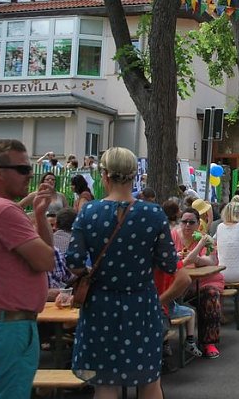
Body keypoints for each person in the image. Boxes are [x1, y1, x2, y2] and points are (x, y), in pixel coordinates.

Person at [67, 146, 177, 396]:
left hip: (100, 306)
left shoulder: (89, 211)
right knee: (149, 381)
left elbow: (73, 262)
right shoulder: (153, 213)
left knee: (105, 384)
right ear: (134, 174)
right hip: (141, 304)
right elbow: (169, 264)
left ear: (104, 175)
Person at [0, 138, 56, 398]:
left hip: (1, 324)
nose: (29, 175)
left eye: (29, 168)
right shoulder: (3, 210)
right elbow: (47, 261)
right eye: (22, 169)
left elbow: (44, 255)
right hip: (8, 326)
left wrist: (39, 216)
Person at [173, 206, 224, 359]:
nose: (187, 225)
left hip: (203, 281)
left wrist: (197, 259)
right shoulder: (172, 236)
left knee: (210, 295)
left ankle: (209, 342)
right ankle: (165, 345)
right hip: (178, 282)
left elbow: (212, 260)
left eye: (191, 222)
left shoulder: (204, 238)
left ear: (198, 223)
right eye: (184, 222)